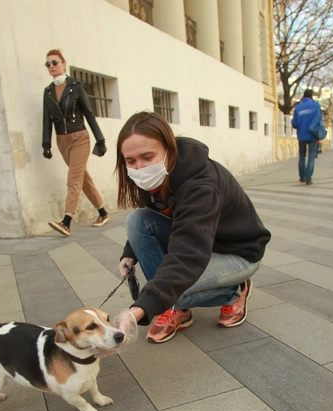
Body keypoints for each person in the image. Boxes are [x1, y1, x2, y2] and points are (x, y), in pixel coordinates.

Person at [115, 111, 271, 344]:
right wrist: (130, 254)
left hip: (238, 253)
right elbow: (154, 217)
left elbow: (186, 253)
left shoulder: (201, 184)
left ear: (169, 148)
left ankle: (236, 290)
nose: (139, 167)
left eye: (147, 157)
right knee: (137, 220)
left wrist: (140, 308)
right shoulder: (153, 176)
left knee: (172, 292)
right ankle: (177, 308)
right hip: (202, 241)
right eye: (130, 161)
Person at [42, 49, 109, 235]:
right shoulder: (47, 92)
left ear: (63, 64)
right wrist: (46, 144)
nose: (51, 67)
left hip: (80, 138)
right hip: (62, 140)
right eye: (48, 64)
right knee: (82, 178)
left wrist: (100, 140)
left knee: (73, 178)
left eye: (55, 62)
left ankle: (66, 221)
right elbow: (46, 120)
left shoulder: (76, 87)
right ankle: (103, 212)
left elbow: (89, 114)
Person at [291, 89, 322, 185]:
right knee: (311, 156)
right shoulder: (316, 105)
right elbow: (320, 118)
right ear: (311, 96)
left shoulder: (298, 107)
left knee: (302, 156)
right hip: (313, 134)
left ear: (303, 96)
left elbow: (294, 123)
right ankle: (309, 178)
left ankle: (302, 177)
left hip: (302, 135)